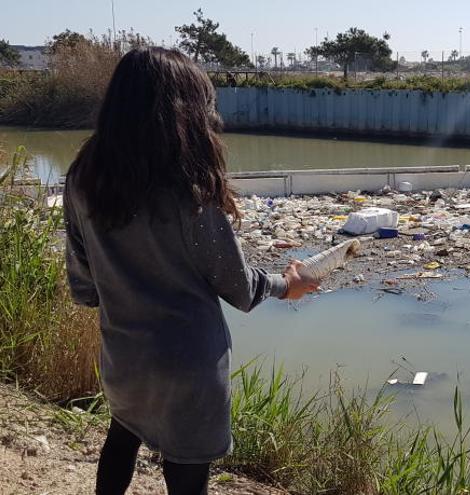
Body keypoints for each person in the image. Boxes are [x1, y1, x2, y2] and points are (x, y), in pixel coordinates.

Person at [63, 47, 319, 495]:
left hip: (124, 356)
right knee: (187, 473)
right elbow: (235, 282)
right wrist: (287, 284)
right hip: (188, 367)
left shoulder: (83, 175)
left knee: (121, 437)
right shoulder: (187, 186)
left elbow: (84, 284)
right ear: (185, 111)